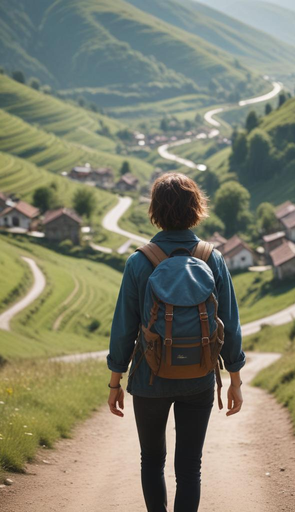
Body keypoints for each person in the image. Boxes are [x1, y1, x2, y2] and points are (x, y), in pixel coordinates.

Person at [107, 172, 245, 512]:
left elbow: (124, 329)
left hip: (149, 379)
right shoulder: (212, 258)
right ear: (196, 208)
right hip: (198, 379)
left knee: (152, 461)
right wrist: (235, 381)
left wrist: (115, 382)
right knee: (189, 468)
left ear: (155, 211)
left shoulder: (139, 261)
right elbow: (229, 324)